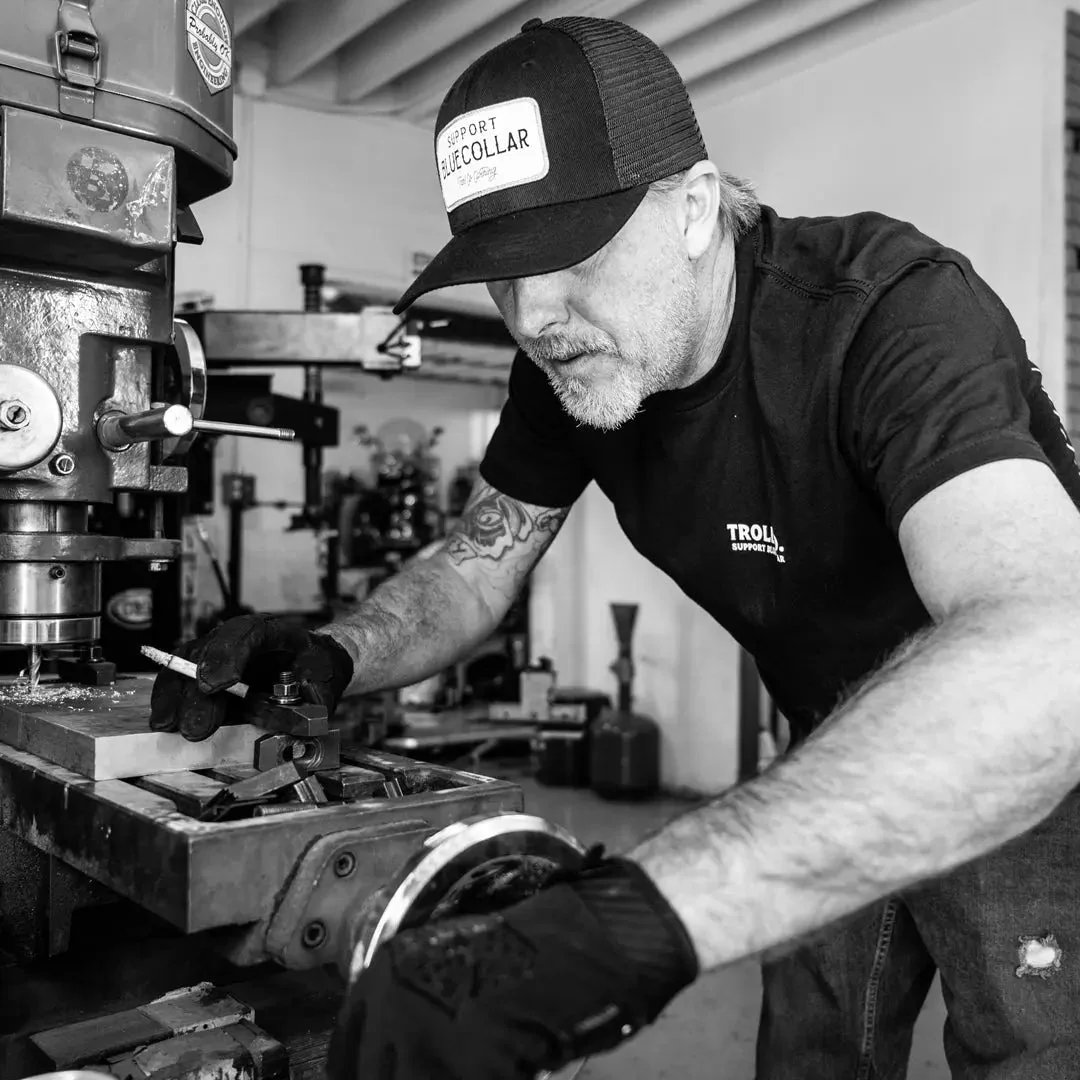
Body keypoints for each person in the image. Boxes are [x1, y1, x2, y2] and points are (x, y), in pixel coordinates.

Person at [149, 15, 1080, 1080]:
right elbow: (476, 566)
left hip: (1022, 746)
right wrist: (332, 652)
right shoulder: (568, 366)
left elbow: (1044, 645)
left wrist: (615, 931)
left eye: (568, 255)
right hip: (832, 737)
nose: (534, 315)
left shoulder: (890, 313)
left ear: (695, 207)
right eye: (502, 274)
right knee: (811, 1056)